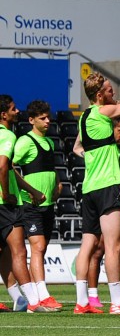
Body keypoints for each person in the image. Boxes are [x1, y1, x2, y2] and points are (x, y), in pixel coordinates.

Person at [71, 74, 120, 314]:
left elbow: (77, 148)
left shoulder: (84, 118)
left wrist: (95, 158)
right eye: (110, 90)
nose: (114, 94)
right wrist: (117, 102)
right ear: (100, 95)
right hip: (107, 186)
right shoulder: (102, 112)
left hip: (89, 188)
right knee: (112, 246)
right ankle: (117, 303)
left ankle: (82, 302)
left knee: (87, 245)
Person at [0, 95, 51, 313]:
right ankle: (33, 301)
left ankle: (18, 300)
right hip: (5, 204)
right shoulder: (8, 135)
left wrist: (30, 190)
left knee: (2, 253)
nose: (17, 111)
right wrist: (7, 193)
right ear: (4, 115)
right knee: (19, 252)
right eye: (13, 109)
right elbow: (4, 167)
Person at [80, 116, 120, 308]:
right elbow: (79, 150)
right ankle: (95, 295)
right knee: (99, 251)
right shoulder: (101, 148)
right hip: (105, 197)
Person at [13, 100, 63, 310]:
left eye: (48, 117)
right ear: (31, 120)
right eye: (42, 118)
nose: (47, 121)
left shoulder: (50, 143)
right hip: (30, 203)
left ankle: (37, 296)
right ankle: (43, 295)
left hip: (48, 204)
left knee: (40, 250)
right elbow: (9, 168)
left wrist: (57, 185)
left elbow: (51, 170)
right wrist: (30, 191)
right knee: (38, 246)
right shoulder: (25, 141)